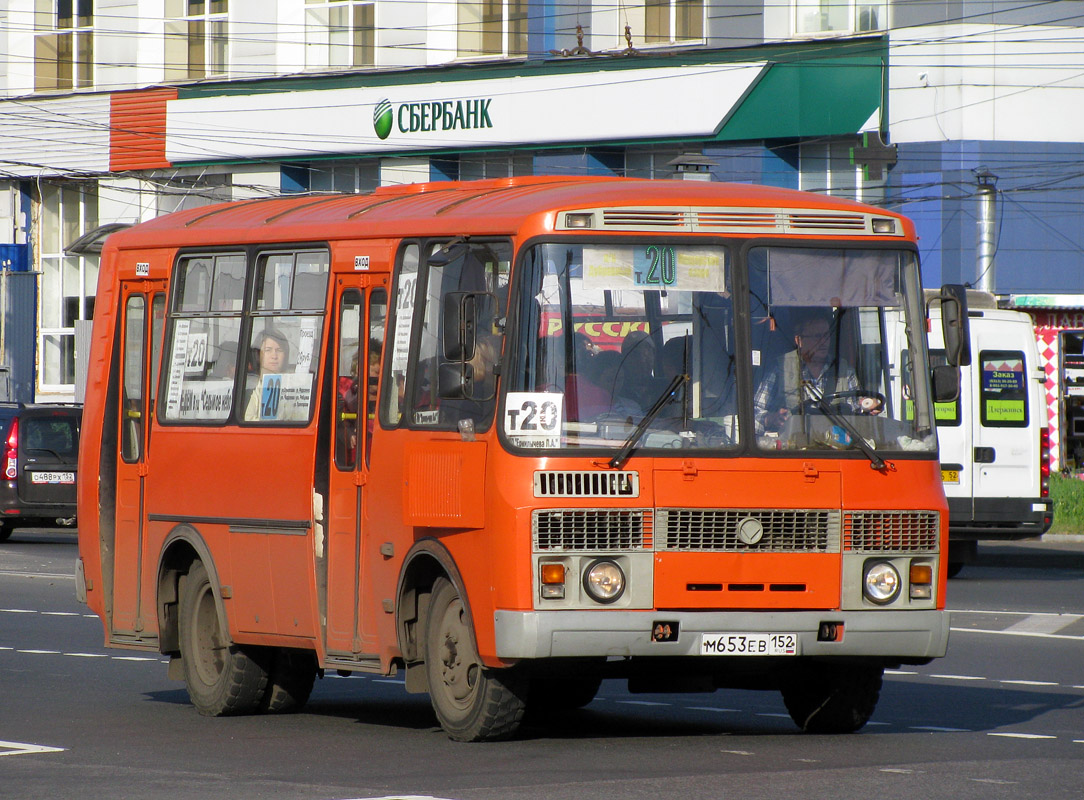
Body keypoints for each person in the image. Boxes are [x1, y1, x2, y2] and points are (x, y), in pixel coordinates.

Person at [754, 312, 881, 435]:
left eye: (826, 335)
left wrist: (869, 407)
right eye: (816, 336)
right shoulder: (780, 368)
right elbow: (754, 413)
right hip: (793, 449)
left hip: (837, 447)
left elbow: (858, 412)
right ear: (799, 341)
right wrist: (770, 419)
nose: (823, 341)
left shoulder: (844, 371)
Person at [244, 328, 290, 421]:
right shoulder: (249, 385)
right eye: (268, 350)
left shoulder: (293, 386)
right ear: (258, 355)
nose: (274, 356)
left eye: (279, 350)